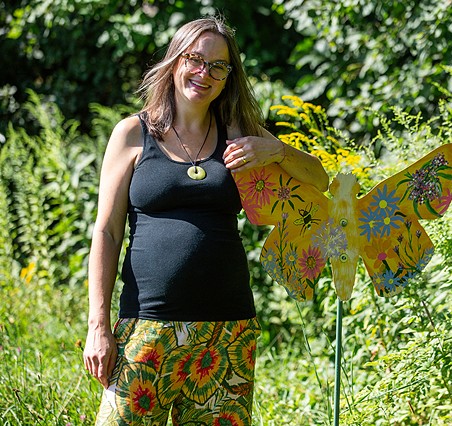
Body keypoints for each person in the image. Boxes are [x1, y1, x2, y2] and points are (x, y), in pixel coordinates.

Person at [82, 14, 329, 425]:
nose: (205, 73)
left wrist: (278, 152)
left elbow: (319, 179)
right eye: (196, 59)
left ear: (229, 76)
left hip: (227, 330)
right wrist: (98, 325)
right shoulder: (131, 134)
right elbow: (106, 232)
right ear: (176, 61)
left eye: (218, 65)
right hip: (147, 327)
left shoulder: (240, 134)